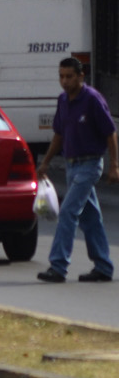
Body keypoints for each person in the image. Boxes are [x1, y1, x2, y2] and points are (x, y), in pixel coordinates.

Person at [36, 56, 119, 283]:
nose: (65, 81)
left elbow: (110, 132)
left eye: (70, 77)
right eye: (61, 77)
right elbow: (59, 134)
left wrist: (114, 165)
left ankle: (58, 266)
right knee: (90, 218)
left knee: (68, 211)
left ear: (81, 76)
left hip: (90, 165)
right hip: (71, 166)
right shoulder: (63, 100)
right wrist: (46, 162)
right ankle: (103, 266)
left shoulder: (92, 99)